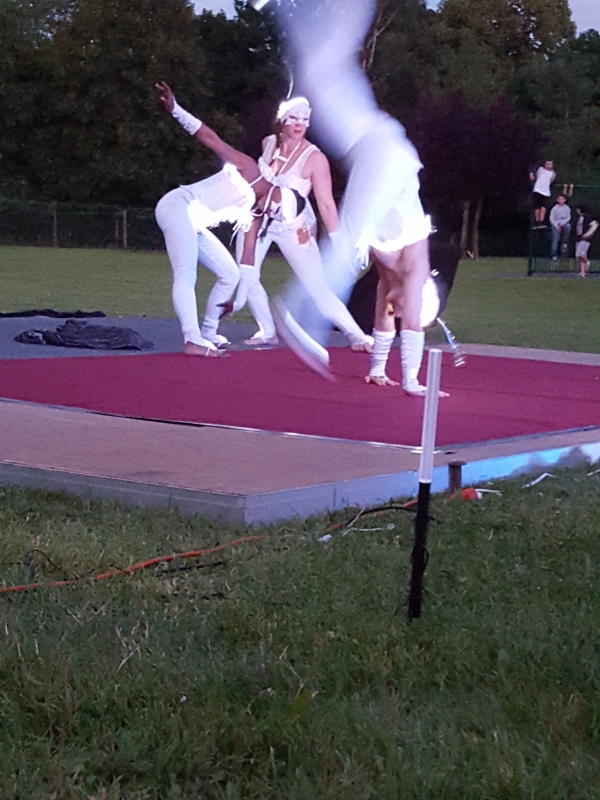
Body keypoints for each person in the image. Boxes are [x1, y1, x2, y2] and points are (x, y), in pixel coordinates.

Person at [253, 0, 437, 395]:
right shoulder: (415, 268)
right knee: (349, 244)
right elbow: (409, 321)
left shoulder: (391, 280)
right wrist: (413, 382)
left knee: (319, 70)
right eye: (408, 307)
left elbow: (386, 316)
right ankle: (300, 314)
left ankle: (282, 5)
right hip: (388, 154)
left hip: (369, 143)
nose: (399, 309)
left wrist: (379, 369)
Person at [154, 81, 304, 355]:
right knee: (186, 273)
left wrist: (239, 301)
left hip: (194, 223)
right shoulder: (250, 170)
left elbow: (247, 263)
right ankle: (192, 340)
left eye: (276, 215)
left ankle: (209, 331)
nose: (271, 213)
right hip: (177, 205)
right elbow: (210, 138)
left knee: (230, 273)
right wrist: (176, 110)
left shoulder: (257, 213)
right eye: (277, 208)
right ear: (279, 193)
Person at [233, 96, 373, 353]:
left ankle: (357, 336)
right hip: (258, 219)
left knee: (317, 287)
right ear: (282, 120)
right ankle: (267, 330)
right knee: (245, 273)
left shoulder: (315, 159)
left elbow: (326, 205)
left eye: (305, 119)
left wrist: (339, 243)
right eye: (294, 118)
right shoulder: (268, 143)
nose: (299, 124)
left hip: (293, 227)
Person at [529, 160, 556, 228]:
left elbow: (551, 181)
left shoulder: (553, 173)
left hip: (546, 191)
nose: (549, 165)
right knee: (537, 206)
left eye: (550, 164)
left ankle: (541, 221)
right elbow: (531, 167)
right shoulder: (540, 169)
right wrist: (531, 174)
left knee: (543, 206)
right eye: (547, 164)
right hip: (538, 189)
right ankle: (536, 221)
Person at [575, 205, 599, 277]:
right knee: (581, 255)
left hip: (585, 239)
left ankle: (587, 262)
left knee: (579, 254)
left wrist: (588, 234)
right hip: (579, 238)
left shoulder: (587, 217)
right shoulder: (580, 217)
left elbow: (595, 224)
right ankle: (583, 272)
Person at [549, 194, 572, 260]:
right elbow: (551, 218)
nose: (561, 200)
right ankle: (554, 254)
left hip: (564, 224)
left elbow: (568, 217)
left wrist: (562, 224)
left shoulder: (567, 208)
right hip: (556, 224)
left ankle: (564, 245)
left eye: (562, 199)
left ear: (565, 200)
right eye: (560, 199)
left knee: (568, 226)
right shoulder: (554, 208)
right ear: (557, 200)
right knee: (555, 239)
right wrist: (557, 226)